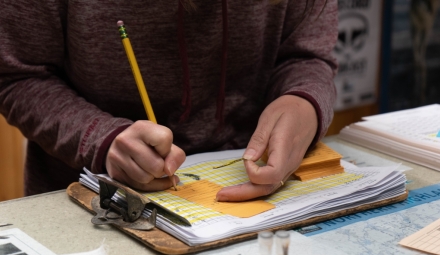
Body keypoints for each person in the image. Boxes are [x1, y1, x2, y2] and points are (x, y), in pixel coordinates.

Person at [0, 0, 338, 201]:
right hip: (89, 201)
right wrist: (100, 139)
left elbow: (305, 55)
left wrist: (303, 101)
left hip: (260, 196)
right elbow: (17, 75)